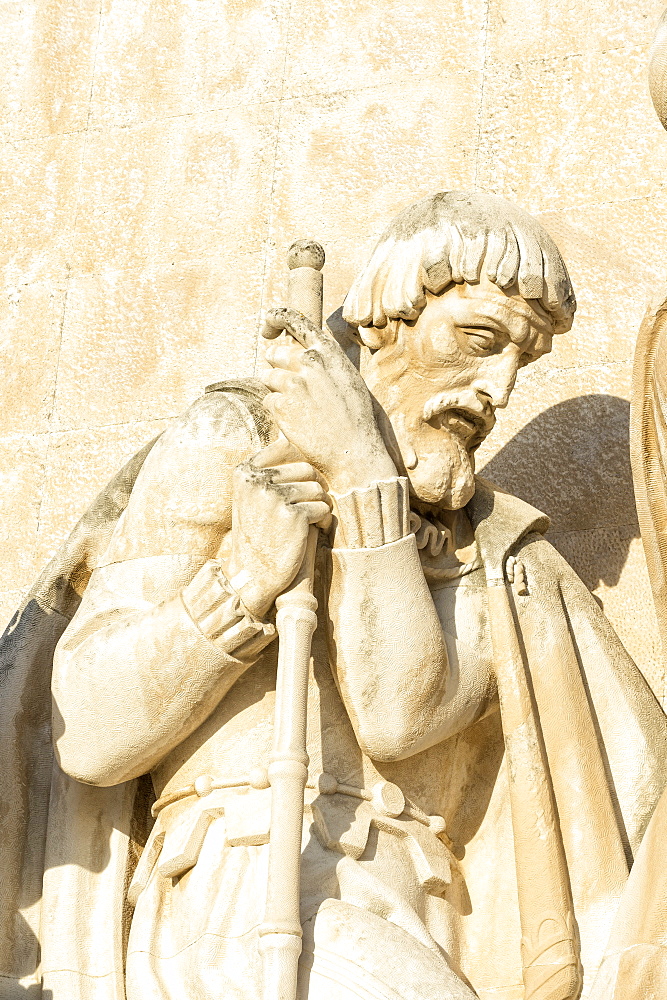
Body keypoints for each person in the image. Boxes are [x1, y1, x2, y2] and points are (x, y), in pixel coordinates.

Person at [3, 191, 666, 1000]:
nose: (494, 387)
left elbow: (400, 714)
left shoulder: (490, 551)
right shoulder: (238, 438)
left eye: (516, 365)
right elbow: (92, 729)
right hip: (257, 895)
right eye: (477, 341)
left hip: (422, 911)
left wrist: (361, 477)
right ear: (388, 319)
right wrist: (241, 582)